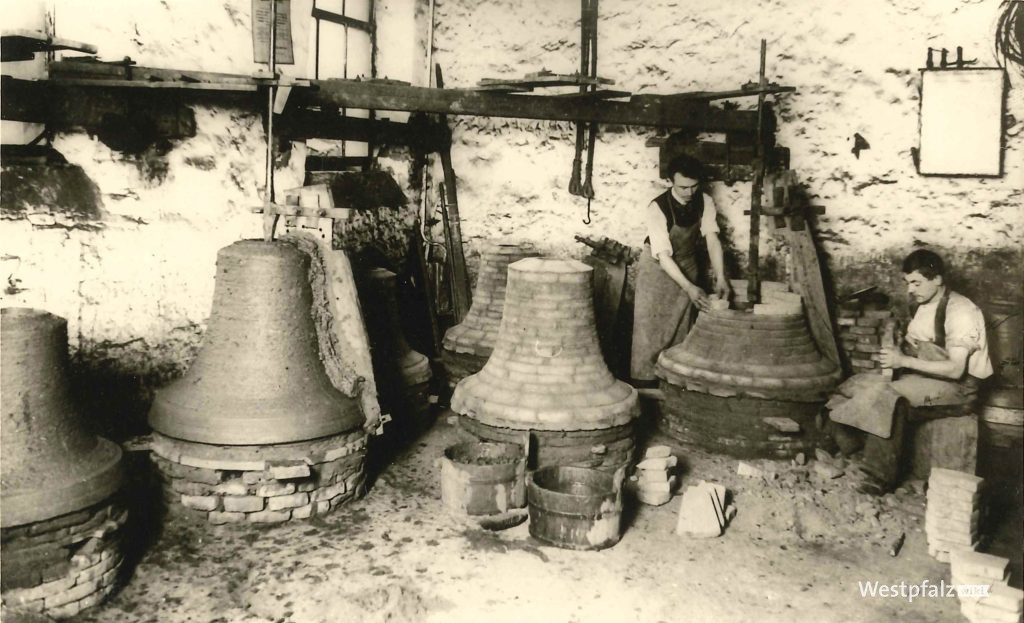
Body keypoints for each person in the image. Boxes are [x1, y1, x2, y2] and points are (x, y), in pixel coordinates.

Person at [829, 249, 993, 493]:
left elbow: (956, 370)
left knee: (890, 398)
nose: (910, 289)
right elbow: (917, 345)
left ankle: (878, 476)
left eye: (916, 282)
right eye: (907, 283)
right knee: (851, 386)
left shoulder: (961, 311)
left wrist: (902, 361)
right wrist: (895, 343)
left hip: (958, 389)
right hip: (927, 378)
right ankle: (854, 449)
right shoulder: (923, 304)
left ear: (937, 279)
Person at [630, 154, 730, 388]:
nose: (689, 192)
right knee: (650, 330)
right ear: (670, 182)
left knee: (682, 328)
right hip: (657, 269)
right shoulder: (657, 207)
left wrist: (722, 276)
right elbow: (663, 255)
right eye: (683, 187)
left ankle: (673, 382)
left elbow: (712, 240)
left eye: (694, 186)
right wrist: (689, 288)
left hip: (687, 263)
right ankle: (645, 384)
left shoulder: (705, 201)